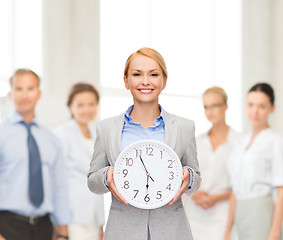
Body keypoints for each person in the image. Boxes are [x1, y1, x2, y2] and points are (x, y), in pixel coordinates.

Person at [87, 47, 201, 240]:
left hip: (172, 231)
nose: (145, 81)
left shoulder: (184, 127)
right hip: (122, 231)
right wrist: (106, 176)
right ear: (126, 81)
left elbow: (196, 177)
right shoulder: (107, 129)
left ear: (164, 81)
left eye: (154, 74)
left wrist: (189, 177)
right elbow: (92, 181)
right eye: (137, 74)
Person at [0, 69, 71, 240]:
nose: (25, 95)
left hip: (45, 228)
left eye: (30, 88)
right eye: (19, 89)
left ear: (39, 94)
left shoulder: (51, 139)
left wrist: (63, 232)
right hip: (7, 226)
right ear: (10, 94)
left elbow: (59, 187)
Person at [225, 83, 283, 240]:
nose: (254, 112)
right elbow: (234, 190)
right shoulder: (240, 143)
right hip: (240, 213)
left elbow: (281, 191)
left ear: (272, 108)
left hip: (262, 211)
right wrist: (227, 231)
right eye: (250, 105)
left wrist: (275, 234)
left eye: (261, 106)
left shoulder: (275, 141)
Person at [183, 87, 239, 240]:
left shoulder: (239, 142)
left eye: (215, 105)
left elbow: (240, 185)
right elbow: (186, 176)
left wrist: (216, 198)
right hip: (194, 213)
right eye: (206, 107)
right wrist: (194, 194)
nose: (210, 111)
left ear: (225, 106)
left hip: (222, 215)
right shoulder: (197, 141)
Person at [54, 83, 105, 240]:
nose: (86, 109)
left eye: (91, 104)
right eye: (80, 105)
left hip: (94, 216)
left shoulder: (96, 134)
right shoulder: (62, 134)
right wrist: (61, 226)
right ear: (70, 106)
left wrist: (100, 223)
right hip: (73, 216)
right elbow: (57, 181)